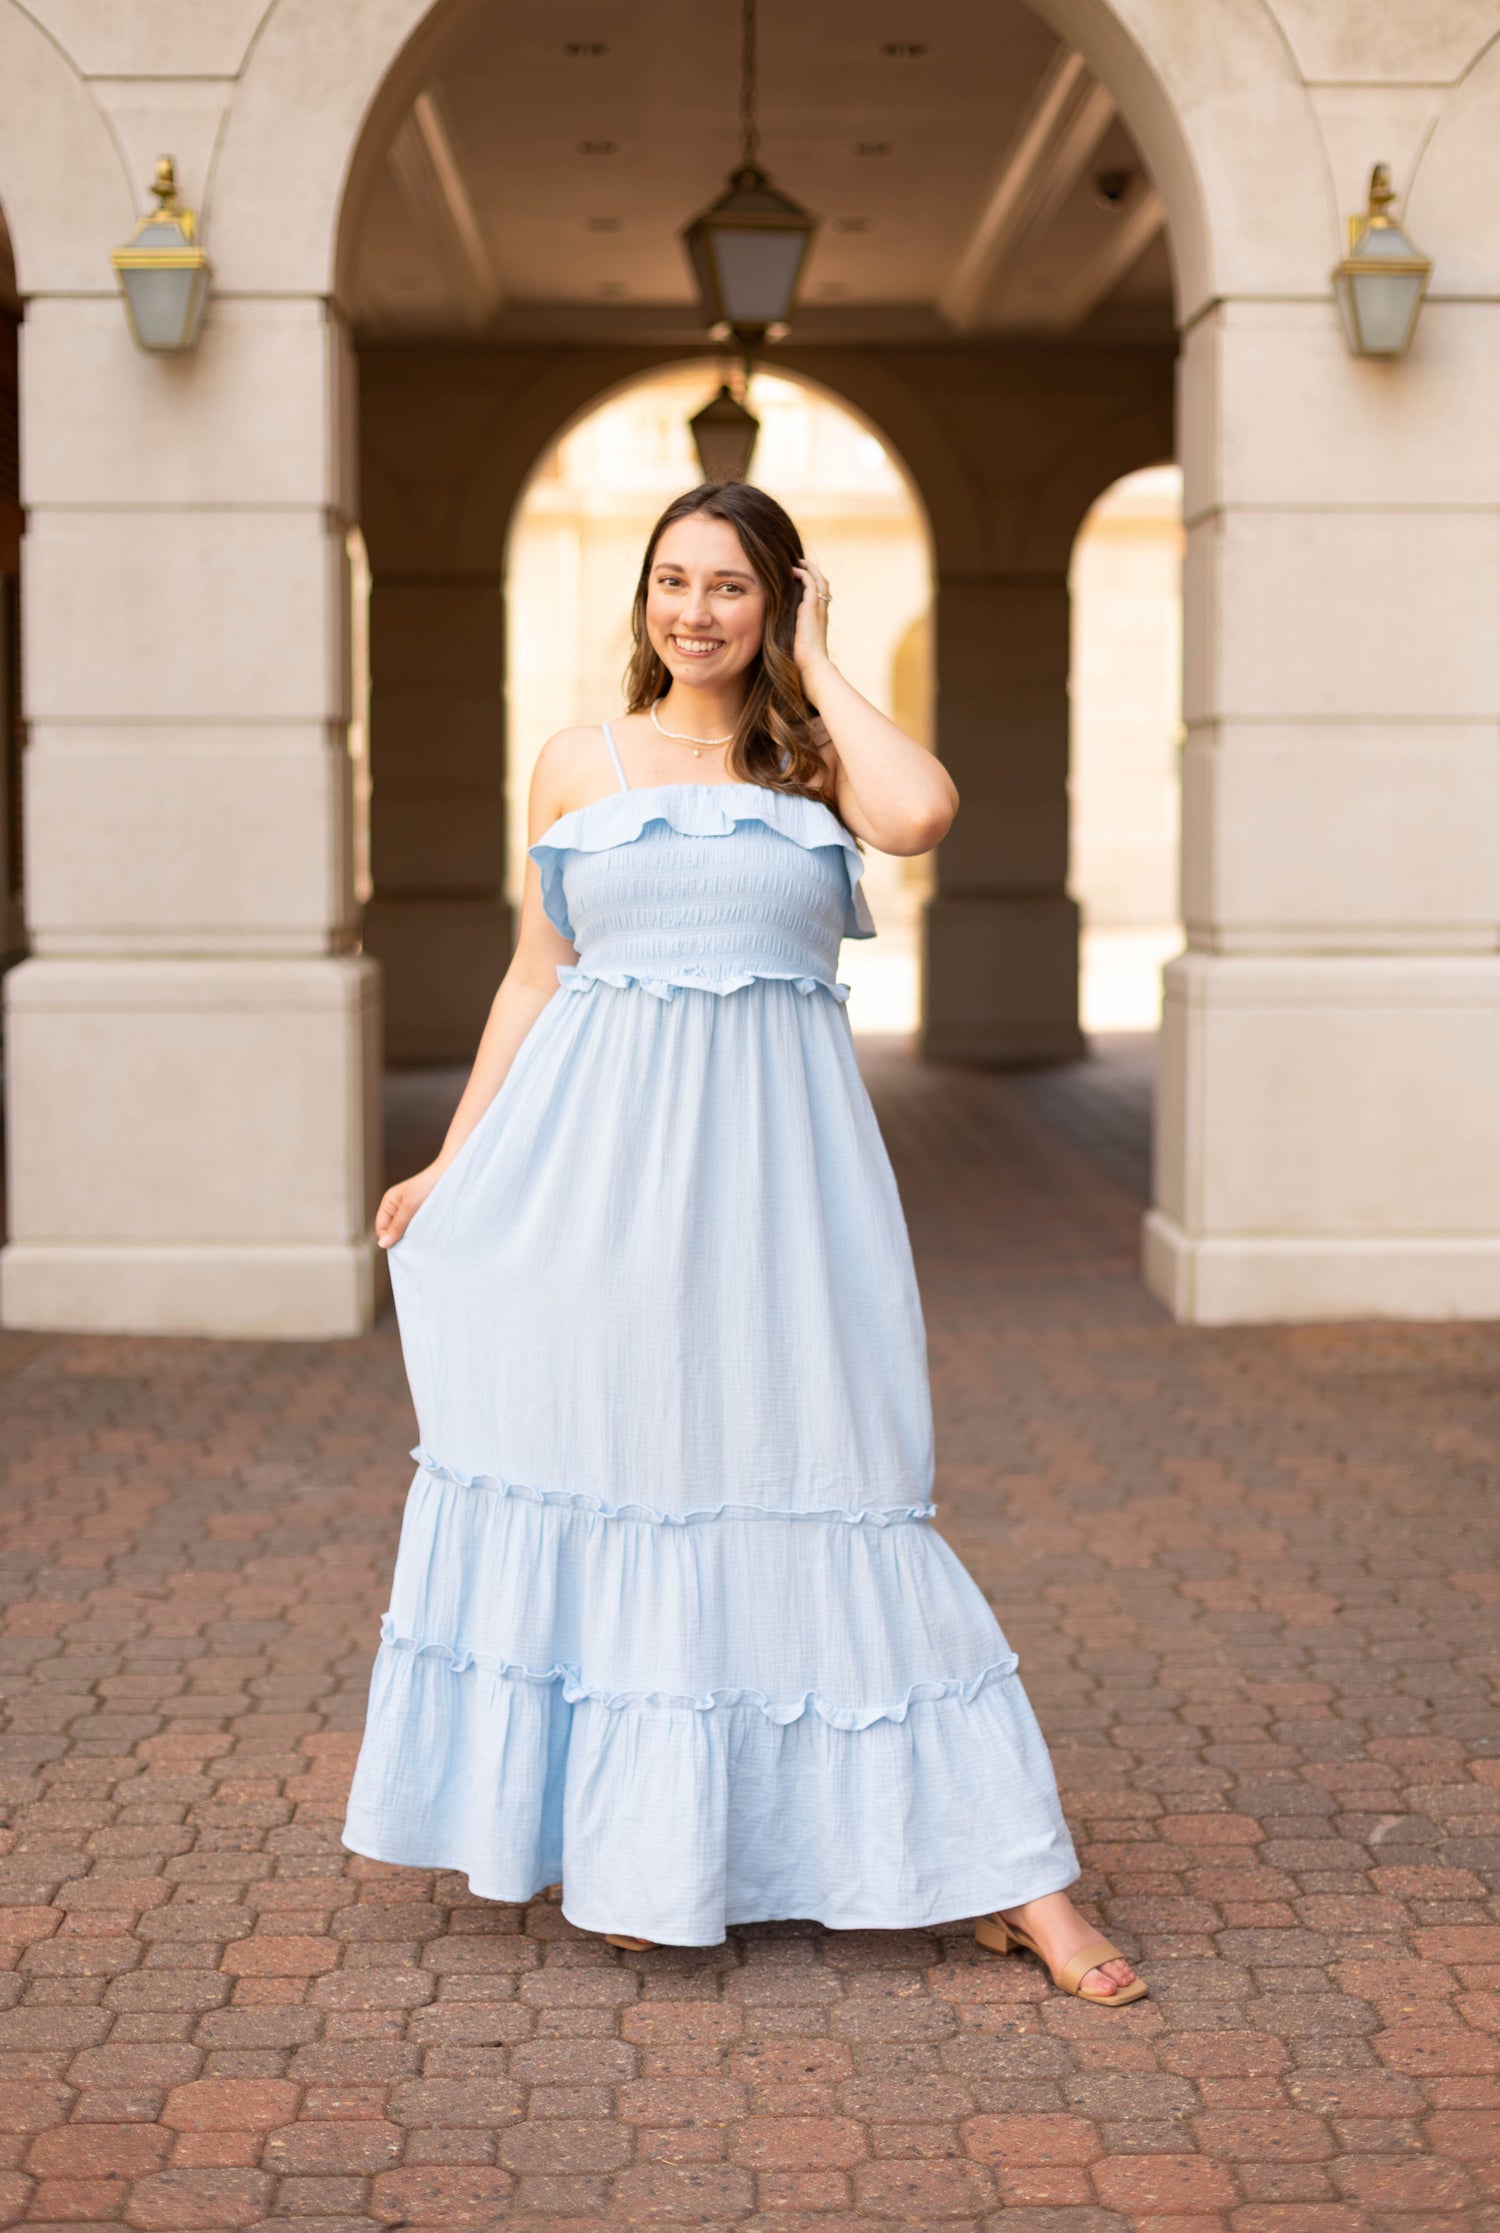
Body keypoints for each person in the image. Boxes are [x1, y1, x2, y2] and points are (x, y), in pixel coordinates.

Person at [341, 480, 1144, 2006]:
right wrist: (455, 1157)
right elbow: (535, 978)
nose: (694, 610)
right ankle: (649, 1854)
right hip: (596, 1185)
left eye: (730, 586)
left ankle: (1017, 1877)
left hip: (783, 1193)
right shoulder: (580, 760)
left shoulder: (818, 763)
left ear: (775, 602)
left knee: (839, 1489)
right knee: (637, 1482)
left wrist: (826, 657)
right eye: (670, 580)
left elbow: (922, 815)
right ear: (641, 598)